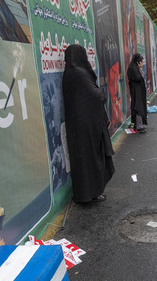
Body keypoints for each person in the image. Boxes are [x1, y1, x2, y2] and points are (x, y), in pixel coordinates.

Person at [62, 44, 115, 203]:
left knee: (83, 162)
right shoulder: (79, 73)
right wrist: (102, 93)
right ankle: (90, 194)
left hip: (79, 127)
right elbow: (94, 95)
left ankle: (85, 194)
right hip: (87, 127)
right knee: (91, 160)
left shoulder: (69, 73)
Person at [127, 53, 147, 132]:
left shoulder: (133, 67)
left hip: (137, 90)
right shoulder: (133, 68)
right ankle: (139, 126)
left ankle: (137, 124)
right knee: (138, 107)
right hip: (136, 91)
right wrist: (140, 69)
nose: (141, 63)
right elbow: (139, 78)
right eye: (140, 61)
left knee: (137, 106)